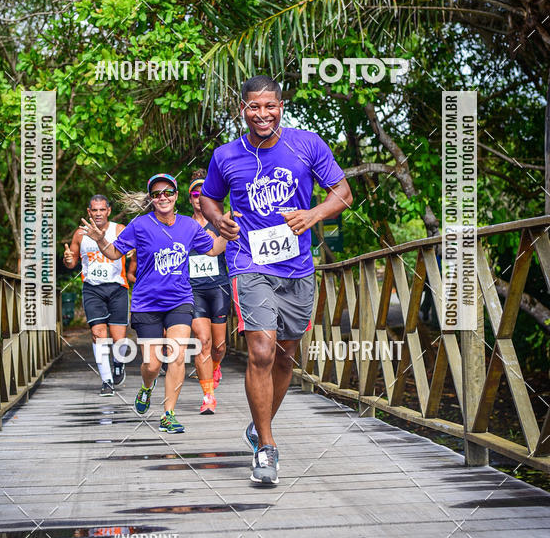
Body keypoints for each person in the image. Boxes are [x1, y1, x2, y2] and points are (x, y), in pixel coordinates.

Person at [200, 76, 352, 485]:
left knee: (285, 355)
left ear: (281, 106)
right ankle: (266, 448)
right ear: (243, 110)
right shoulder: (226, 155)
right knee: (262, 351)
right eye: (253, 107)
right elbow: (208, 197)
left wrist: (314, 215)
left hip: (298, 265)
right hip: (248, 261)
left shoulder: (307, 144)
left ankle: (258, 422)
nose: (261, 114)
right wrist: (218, 220)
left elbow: (343, 192)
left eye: (269, 106)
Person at [80, 174, 228, 434]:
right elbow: (115, 253)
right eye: (157, 193)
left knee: (178, 355)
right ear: (151, 198)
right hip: (147, 303)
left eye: (168, 192)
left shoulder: (189, 227)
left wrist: (227, 232)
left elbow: (214, 249)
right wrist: (100, 239)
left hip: (180, 301)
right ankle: (147, 388)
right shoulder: (139, 225)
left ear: (175, 195)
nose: (163, 197)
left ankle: (168, 414)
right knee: (152, 364)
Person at [63, 194, 130, 395]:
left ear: (108, 211)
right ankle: (107, 381)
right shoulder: (80, 234)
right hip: (92, 288)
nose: (98, 213)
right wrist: (67, 259)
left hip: (118, 288)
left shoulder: (119, 230)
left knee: (119, 340)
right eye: (95, 210)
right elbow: (71, 263)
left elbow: (134, 252)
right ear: (89, 212)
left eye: (102, 209)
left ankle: (118, 363)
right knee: (98, 334)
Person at [188, 169, 231, 414]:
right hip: (193, 290)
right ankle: (208, 396)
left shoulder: (220, 222)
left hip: (218, 288)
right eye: (194, 193)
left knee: (219, 347)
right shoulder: (182, 224)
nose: (198, 197)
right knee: (202, 341)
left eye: (203, 193)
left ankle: (216, 366)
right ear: (190, 198)